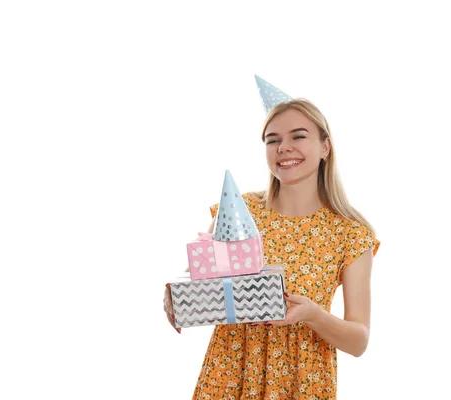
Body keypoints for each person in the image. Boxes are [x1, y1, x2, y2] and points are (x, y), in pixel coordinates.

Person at [163, 98, 380, 399]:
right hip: (229, 378)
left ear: (325, 147)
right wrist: (177, 297)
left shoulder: (350, 234)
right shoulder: (239, 210)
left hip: (301, 383)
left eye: (298, 136)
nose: (283, 147)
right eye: (272, 140)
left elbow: (359, 341)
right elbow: (202, 284)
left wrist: (313, 315)